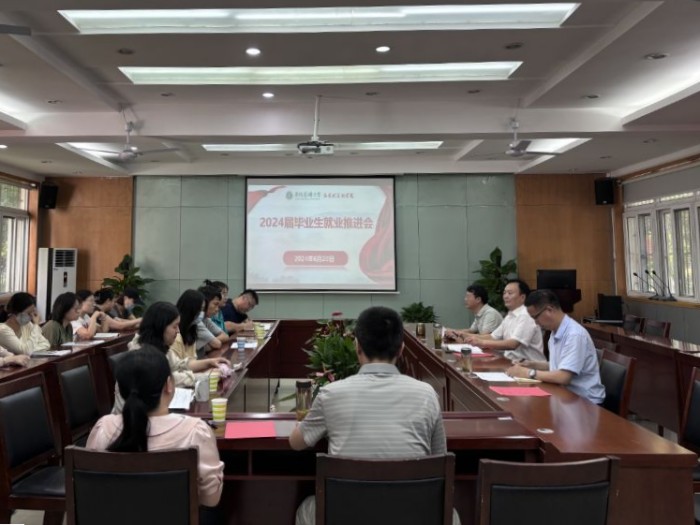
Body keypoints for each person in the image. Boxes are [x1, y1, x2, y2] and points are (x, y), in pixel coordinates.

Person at [289, 306, 459, 525]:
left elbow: (296, 443)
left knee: (306, 509)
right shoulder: (426, 394)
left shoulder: (332, 394)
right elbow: (439, 459)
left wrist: (304, 423)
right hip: (411, 514)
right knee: (451, 514)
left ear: (357, 346)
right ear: (401, 348)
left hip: (348, 515)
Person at [87, 347, 224, 522]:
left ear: (121, 390)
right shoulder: (195, 431)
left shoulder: (103, 428)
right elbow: (211, 499)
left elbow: (91, 490)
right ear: (169, 385)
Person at [113, 301, 228, 414]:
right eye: (174, 326)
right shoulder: (141, 354)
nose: (178, 331)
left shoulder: (160, 345)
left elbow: (180, 364)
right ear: (160, 327)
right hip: (131, 419)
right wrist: (203, 376)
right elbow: (167, 380)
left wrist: (209, 362)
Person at [507, 289, 605, 404]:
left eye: (536, 317)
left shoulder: (574, 335)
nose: (536, 323)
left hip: (585, 403)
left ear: (549, 310)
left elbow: (563, 377)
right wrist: (531, 364)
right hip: (564, 395)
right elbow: (560, 366)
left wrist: (528, 373)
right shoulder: (555, 331)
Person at [464, 279, 546, 363]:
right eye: (504, 293)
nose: (505, 296)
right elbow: (493, 337)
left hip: (529, 366)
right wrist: (470, 338)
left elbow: (513, 344)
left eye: (510, 293)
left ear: (522, 297)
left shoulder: (526, 315)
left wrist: (481, 342)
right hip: (511, 362)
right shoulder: (510, 315)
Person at [171, 290, 230, 373]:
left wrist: (210, 363)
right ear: (190, 309)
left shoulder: (192, 329)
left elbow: (190, 362)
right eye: (200, 309)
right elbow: (177, 369)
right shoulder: (175, 335)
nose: (202, 313)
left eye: (203, 309)